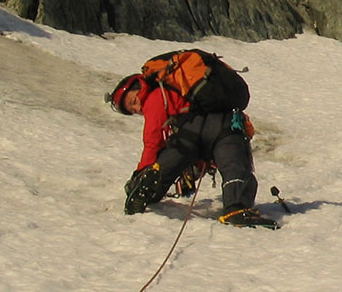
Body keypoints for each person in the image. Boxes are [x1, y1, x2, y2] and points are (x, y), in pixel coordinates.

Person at [107, 71, 278, 229]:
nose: (137, 109)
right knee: (234, 166)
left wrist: (141, 172)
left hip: (189, 132)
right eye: (132, 110)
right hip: (225, 125)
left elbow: (153, 140)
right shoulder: (180, 93)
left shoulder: (155, 96)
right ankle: (237, 208)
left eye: (133, 102)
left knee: (169, 159)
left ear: (140, 88)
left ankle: (147, 190)